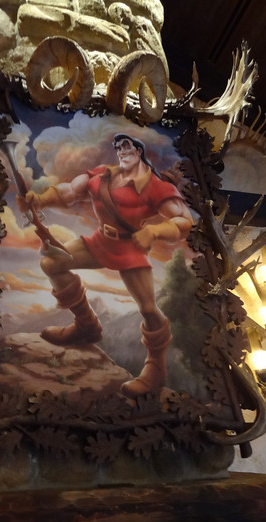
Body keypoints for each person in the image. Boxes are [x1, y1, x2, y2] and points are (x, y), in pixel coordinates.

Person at [17, 133, 193, 397]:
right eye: (118, 147)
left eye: (127, 146)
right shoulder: (102, 175)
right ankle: (86, 326)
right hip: (100, 242)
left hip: (130, 247)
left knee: (148, 309)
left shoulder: (156, 187)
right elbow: (70, 192)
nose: (122, 151)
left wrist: (155, 231)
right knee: (52, 263)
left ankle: (156, 368)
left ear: (139, 151)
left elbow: (183, 221)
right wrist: (39, 200)